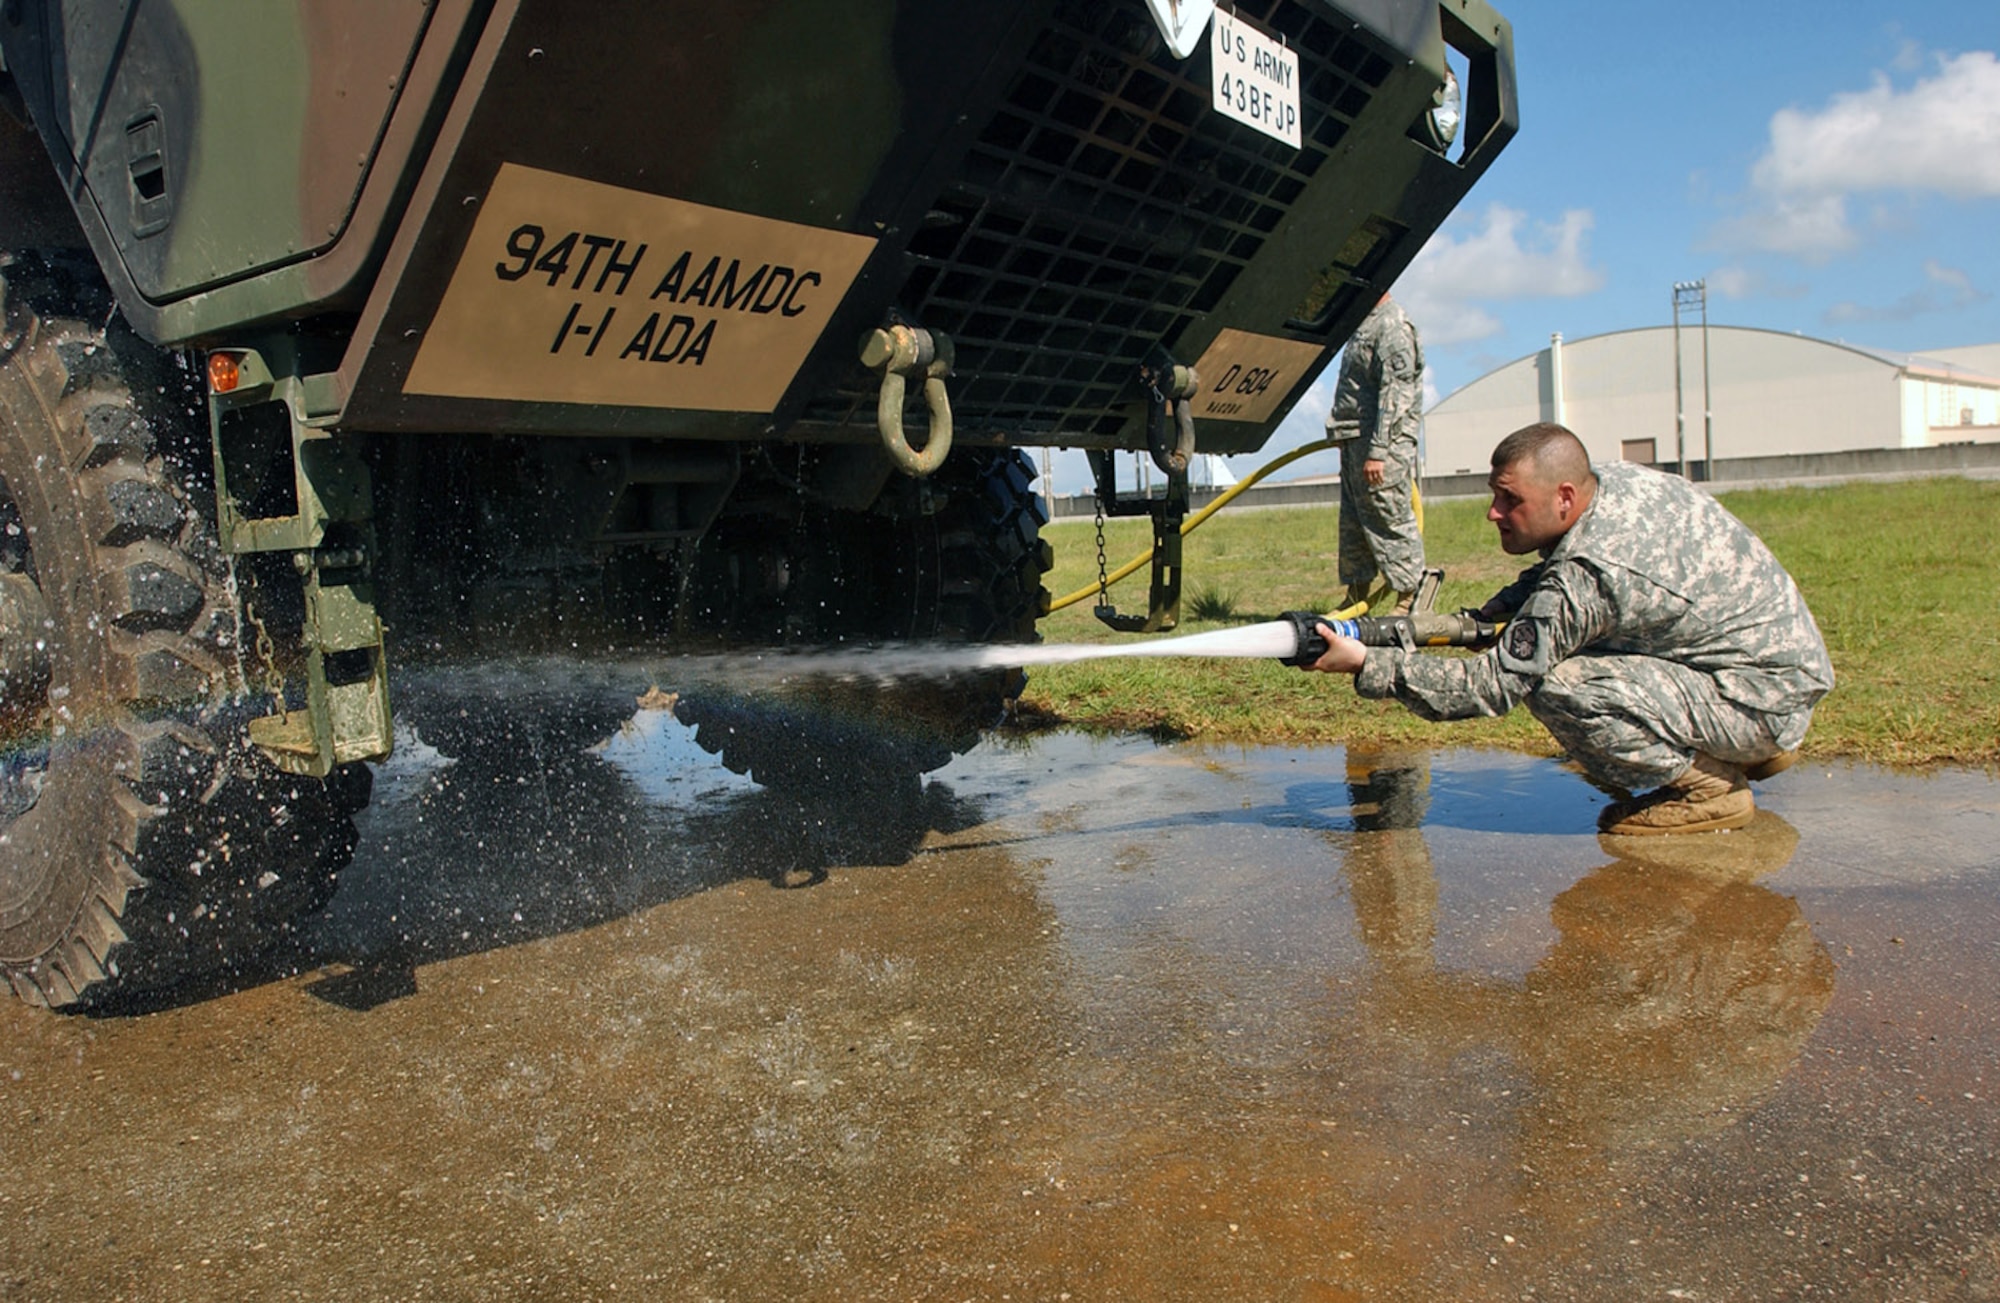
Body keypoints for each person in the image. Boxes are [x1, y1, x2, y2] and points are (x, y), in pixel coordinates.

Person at [1304, 422, 1835, 836]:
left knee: (1555, 683)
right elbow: (1549, 575)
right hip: (1767, 674)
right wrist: (1487, 615)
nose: (1493, 512)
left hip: (1760, 697)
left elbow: (1489, 686)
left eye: (1511, 499)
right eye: (1495, 494)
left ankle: (1708, 789)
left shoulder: (1587, 578)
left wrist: (1367, 663)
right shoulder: (1609, 483)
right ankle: (1750, 747)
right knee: (1569, 653)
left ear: (1563, 497)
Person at [1327, 292, 1426, 614]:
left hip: (1382, 444)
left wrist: (1379, 451)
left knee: (1389, 516)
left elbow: (1395, 393)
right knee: (1354, 521)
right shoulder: (1365, 324)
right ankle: (1357, 594)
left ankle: (1410, 596)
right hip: (1357, 440)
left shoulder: (1392, 326)